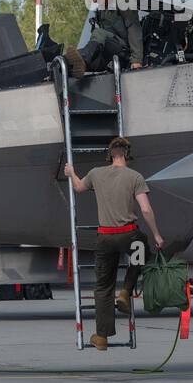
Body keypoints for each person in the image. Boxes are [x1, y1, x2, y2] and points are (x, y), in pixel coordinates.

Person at [63, 136, 164, 350]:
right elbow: (145, 209)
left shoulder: (96, 173)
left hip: (105, 239)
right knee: (141, 254)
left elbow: (79, 188)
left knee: (103, 286)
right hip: (129, 236)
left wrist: (71, 173)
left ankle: (102, 337)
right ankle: (126, 291)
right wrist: (156, 234)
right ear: (127, 154)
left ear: (109, 154)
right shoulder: (135, 177)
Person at [79, 0, 144, 72]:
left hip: (123, 50)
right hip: (109, 52)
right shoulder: (102, 9)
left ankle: (83, 58)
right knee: (84, 61)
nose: (94, 1)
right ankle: (68, 64)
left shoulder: (122, 1)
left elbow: (134, 28)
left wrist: (136, 60)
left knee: (98, 33)